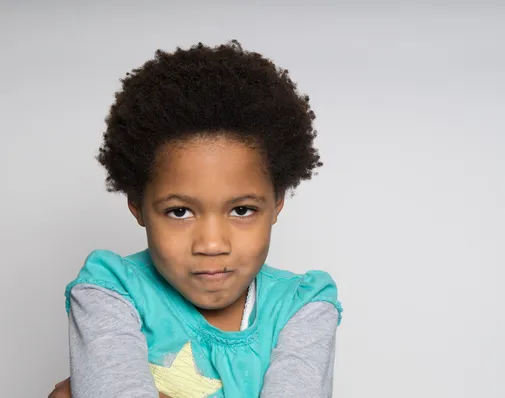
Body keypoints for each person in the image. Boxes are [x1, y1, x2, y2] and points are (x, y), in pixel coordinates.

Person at [47, 40, 342, 398]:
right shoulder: (108, 291)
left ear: (277, 201)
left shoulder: (304, 306)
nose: (212, 244)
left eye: (242, 210)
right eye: (180, 211)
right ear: (137, 205)